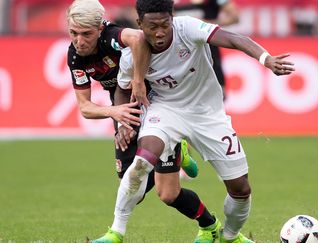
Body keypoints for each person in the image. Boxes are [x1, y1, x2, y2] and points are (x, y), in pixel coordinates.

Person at [93, 0, 295, 242]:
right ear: (140, 24)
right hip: (165, 110)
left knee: (241, 188)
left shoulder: (187, 28)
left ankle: (229, 236)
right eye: (152, 26)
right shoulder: (131, 56)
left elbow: (232, 38)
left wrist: (266, 59)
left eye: (164, 25)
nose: (159, 32)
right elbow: (122, 88)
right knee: (143, 160)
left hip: (207, 114)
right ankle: (116, 232)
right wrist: (123, 120)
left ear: (172, 18)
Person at [66, 0, 199, 235]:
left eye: (86, 34)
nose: (79, 41)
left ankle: (171, 147)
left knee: (163, 191)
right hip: (121, 104)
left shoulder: (111, 36)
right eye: (73, 33)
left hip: (154, 97)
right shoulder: (75, 56)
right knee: (129, 188)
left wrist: (138, 80)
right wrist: (116, 115)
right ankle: (176, 149)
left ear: (99, 28)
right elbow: (85, 107)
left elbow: (138, 38)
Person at [174, 0, 239, 99]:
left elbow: (234, 17)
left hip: (208, 56)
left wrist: (207, 26)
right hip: (176, 57)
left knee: (217, 98)